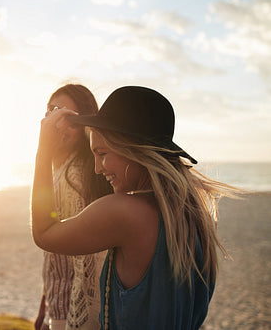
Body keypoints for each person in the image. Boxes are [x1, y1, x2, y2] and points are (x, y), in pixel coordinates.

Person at [31, 86, 238, 329]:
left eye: (103, 153)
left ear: (134, 150)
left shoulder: (124, 212)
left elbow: (44, 233)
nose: (98, 167)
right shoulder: (193, 212)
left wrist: (43, 151)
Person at [34, 84, 113, 330]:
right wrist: (44, 307)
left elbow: (82, 268)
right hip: (59, 309)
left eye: (67, 117)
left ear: (86, 126)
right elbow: (58, 261)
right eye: (52, 111)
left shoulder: (73, 177)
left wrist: (56, 320)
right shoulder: (70, 171)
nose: (57, 123)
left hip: (69, 315)